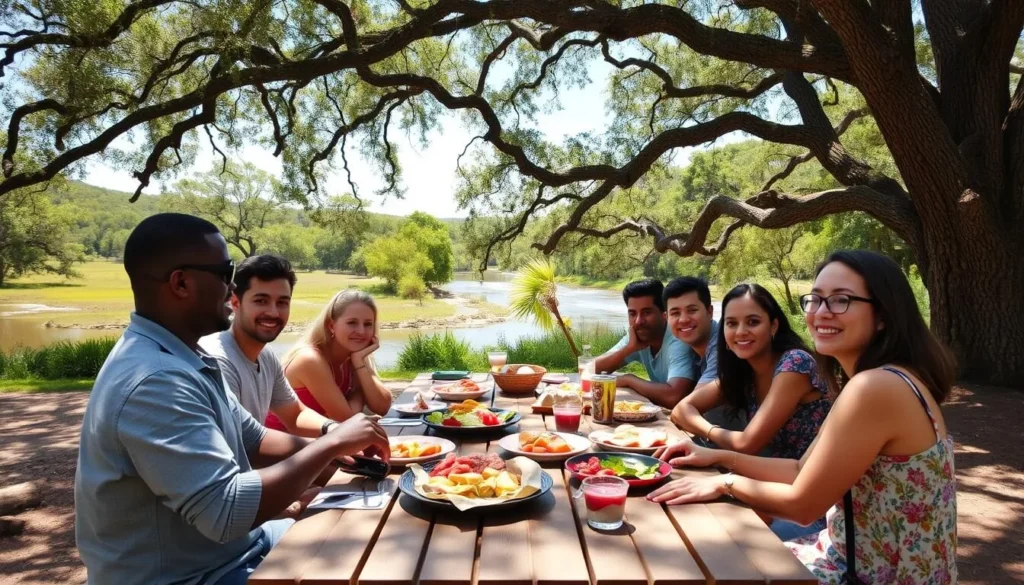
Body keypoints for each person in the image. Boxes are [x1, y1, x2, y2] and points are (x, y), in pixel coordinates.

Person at [75, 214, 390, 585]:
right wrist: (330, 444)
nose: (232, 290)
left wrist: (336, 446)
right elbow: (226, 513)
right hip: (189, 575)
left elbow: (255, 438)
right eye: (226, 274)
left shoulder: (186, 357)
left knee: (373, 536)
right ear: (181, 283)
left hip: (238, 550)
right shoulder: (156, 380)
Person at [649, 250, 957, 584]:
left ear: (883, 315)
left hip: (874, 575)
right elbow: (799, 470)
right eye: (816, 300)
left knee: (713, 558)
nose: (821, 313)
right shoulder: (880, 380)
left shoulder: (875, 387)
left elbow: (802, 506)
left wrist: (724, 481)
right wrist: (715, 457)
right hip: (848, 557)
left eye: (841, 300)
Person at [669, 283, 832, 539]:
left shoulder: (795, 364)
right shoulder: (744, 370)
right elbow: (680, 410)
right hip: (773, 486)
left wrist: (712, 447)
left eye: (753, 322)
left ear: (774, 326)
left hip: (813, 503)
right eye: (731, 323)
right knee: (690, 519)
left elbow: (747, 444)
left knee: (727, 541)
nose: (741, 332)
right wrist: (716, 439)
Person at [200, 254, 338, 438]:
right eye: (261, 301)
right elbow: (244, 443)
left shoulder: (265, 356)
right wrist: (331, 446)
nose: (273, 312)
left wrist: (334, 429)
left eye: (282, 302)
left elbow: (296, 414)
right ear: (235, 303)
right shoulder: (218, 361)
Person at [277, 289, 392, 426]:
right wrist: (360, 392)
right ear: (331, 326)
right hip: (284, 443)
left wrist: (359, 363)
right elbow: (345, 420)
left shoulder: (353, 356)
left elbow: (382, 406)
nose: (361, 331)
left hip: (319, 441)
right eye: (352, 323)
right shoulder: (310, 359)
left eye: (368, 324)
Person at [594, 278, 697, 408]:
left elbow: (673, 396)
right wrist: (628, 349)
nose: (638, 321)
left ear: (664, 313)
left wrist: (629, 380)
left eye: (646, 313)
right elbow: (592, 369)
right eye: (632, 314)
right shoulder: (637, 336)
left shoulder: (677, 339)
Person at [663, 276, 719, 387]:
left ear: (709, 312)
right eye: (675, 313)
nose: (684, 320)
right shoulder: (688, 347)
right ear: (666, 318)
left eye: (692, 310)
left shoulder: (722, 343)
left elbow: (697, 401)